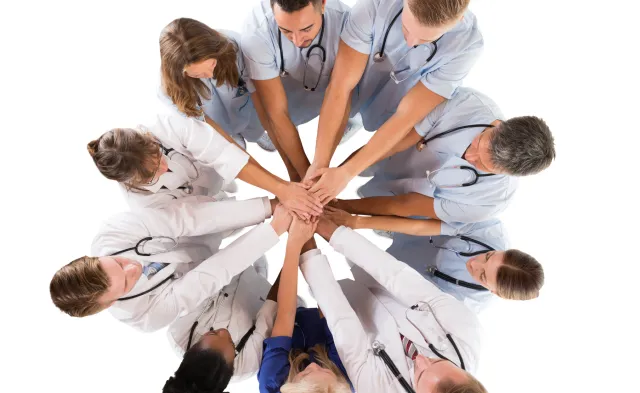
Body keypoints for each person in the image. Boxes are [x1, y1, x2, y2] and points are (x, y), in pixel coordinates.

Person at [306, 0, 485, 203]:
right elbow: (340, 86)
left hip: (399, 95)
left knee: (384, 116)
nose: (411, 42)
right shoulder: (376, 4)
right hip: (362, 71)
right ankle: (349, 120)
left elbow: (405, 118)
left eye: (425, 38)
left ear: (457, 21)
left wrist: (347, 172)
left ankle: (355, 124)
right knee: (350, 94)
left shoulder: (466, 44)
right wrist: (319, 165)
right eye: (406, 28)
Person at [298, 216, 487, 392]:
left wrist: (302, 236)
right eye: (436, 361)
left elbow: (340, 318)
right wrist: (333, 230)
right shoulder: (466, 332)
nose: (420, 359)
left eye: (419, 375)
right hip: (386, 283)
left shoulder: (376, 389)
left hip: (355, 310)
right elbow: (396, 275)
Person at [49, 196, 290, 332]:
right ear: (110, 303)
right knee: (236, 266)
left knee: (221, 215)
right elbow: (208, 276)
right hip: (203, 267)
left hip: (196, 220)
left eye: (117, 261)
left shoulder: (112, 234)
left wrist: (269, 206)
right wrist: (275, 229)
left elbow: (188, 219)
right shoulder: (144, 316)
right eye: (125, 283)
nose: (133, 267)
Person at [328, 88, 556, 228]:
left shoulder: (490, 201)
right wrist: (339, 174)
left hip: (413, 197)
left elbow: (406, 205)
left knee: (389, 204)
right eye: (479, 142)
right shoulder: (467, 103)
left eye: (481, 164)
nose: (470, 155)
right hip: (400, 152)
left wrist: (341, 207)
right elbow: (394, 143)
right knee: (369, 160)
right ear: (498, 125)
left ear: (507, 174)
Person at [87, 113, 323, 219]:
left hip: (214, 172)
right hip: (203, 210)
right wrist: (274, 204)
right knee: (225, 223)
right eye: (151, 175)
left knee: (231, 154)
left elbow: (223, 154)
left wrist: (283, 189)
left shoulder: (168, 126)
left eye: (158, 155)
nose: (163, 167)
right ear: (132, 182)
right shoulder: (144, 206)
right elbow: (202, 217)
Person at [324, 207, 544, 313]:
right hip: (424, 231)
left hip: (409, 272)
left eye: (483, 276)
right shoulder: (491, 230)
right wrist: (358, 220)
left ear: (494, 292)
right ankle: (390, 230)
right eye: (487, 256)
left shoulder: (464, 306)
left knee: (356, 254)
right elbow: (424, 223)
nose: (474, 264)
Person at [242, 0, 361, 182]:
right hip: (286, 82)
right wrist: (302, 177)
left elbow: (340, 91)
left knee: (350, 92)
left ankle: (354, 119)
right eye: (286, 31)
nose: (297, 41)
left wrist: (319, 169)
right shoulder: (257, 32)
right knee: (268, 109)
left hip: (334, 82)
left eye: (306, 29)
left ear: (322, 4)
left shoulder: (348, 21)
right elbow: (276, 111)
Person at [258, 218, 352, 393]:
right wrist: (306, 224)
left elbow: (285, 314)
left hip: (287, 328)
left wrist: (294, 242)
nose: (314, 365)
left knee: (273, 303)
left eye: (305, 373)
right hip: (320, 328)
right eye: (324, 370)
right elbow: (329, 309)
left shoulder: (272, 383)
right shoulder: (345, 381)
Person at [157, 18, 275, 152]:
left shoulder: (236, 46)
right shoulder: (170, 89)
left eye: (212, 64)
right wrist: (232, 148)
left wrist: (272, 127)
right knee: (228, 139)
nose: (209, 75)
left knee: (254, 124)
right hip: (216, 121)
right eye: (196, 75)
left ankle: (256, 135)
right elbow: (202, 121)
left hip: (245, 107)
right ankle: (232, 136)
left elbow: (258, 92)